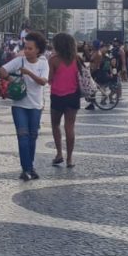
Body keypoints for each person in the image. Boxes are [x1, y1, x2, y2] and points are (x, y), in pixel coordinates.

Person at [0, 31, 50, 181]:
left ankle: (30, 166)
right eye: (26, 47)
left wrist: (28, 73)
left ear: (38, 50)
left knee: (32, 137)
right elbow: (2, 70)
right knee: (23, 136)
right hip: (20, 105)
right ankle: (26, 169)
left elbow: (43, 81)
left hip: (36, 105)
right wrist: (12, 79)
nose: (27, 51)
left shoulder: (43, 63)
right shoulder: (20, 61)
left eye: (30, 48)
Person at [48, 33, 82, 168]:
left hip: (57, 96)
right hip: (73, 96)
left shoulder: (53, 60)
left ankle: (59, 154)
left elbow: (50, 78)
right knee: (70, 127)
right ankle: (69, 159)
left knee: (55, 124)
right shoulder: (77, 59)